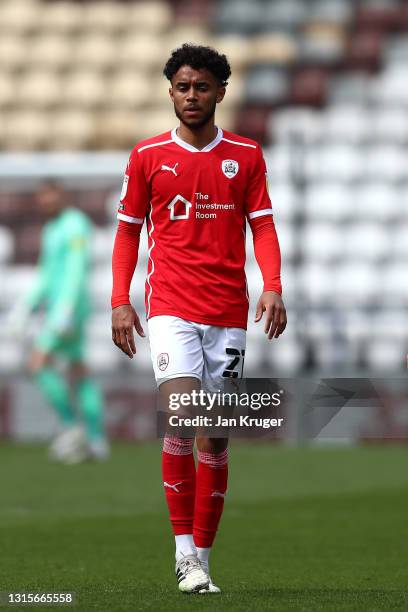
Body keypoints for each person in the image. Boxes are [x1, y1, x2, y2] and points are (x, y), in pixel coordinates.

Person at [111, 44, 287, 593]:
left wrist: (274, 287)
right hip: (170, 308)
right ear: (170, 92)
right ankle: (183, 553)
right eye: (183, 87)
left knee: (215, 437)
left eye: (202, 87)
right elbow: (126, 232)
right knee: (181, 416)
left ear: (220, 92)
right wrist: (121, 299)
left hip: (228, 313)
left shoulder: (246, 155)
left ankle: (203, 558)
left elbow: (262, 226)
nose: (192, 96)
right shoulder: (146, 156)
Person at [10, 180, 108, 463]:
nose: (46, 203)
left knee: (37, 363)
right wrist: (25, 306)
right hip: (60, 308)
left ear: (61, 196)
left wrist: (65, 307)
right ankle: (96, 439)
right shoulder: (51, 229)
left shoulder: (75, 224)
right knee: (79, 371)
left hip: (70, 308)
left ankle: (70, 426)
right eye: (42, 198)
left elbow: (76, 269)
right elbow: (46, 274)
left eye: (50, 196)